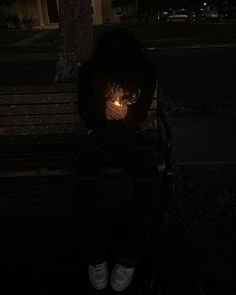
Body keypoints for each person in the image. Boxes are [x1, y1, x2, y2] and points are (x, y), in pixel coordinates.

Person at [76, 28, 160, 292]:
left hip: (130, 137)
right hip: (99, 135)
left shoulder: (144, 72)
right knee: (85, 177)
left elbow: (142, 110)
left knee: (149, 178)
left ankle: (127, 259)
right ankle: (97, 257)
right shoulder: (91, 72)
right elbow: (85, 111)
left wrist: (126, 114)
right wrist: (102, 113)